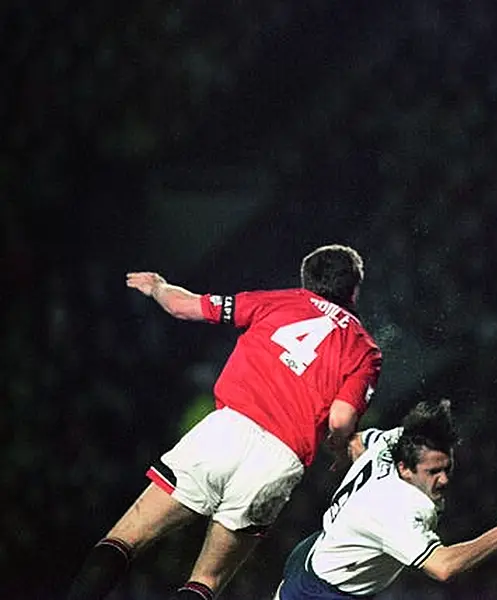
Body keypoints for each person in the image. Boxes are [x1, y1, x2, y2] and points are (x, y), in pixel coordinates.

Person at [67, 244, 382, 600]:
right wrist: (339, 450)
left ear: (305, 280)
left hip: (225, 430)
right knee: (207, 580)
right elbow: (341, 419)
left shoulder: (278, 301)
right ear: (354, 290)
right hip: (279, 461)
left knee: (125, 538)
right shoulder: (365, 349)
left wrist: (157, 286)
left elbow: (184, 307)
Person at [273, 399, 497, 599]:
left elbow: (355, 441)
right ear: (404, 469)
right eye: (433, 472)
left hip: (316, 552)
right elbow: (443, 567)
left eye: (447, 467)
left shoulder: (397, 439)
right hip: (325, 592)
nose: (444, 479)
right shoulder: (396, 509)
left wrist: (345, 452)